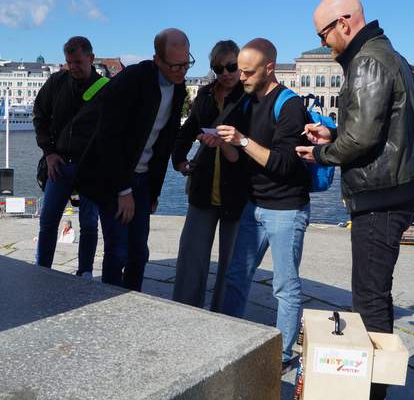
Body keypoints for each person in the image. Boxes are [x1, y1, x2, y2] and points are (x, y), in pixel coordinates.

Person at [296, 0, 414, 400]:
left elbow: (364, 138)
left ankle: (369, 390)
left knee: (369, 296)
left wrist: (321, 152)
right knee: (373, 290)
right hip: (390, 188)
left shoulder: (367, 60)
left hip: (381, 195)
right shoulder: (384, 54)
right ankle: (371, 383)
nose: (323, 43)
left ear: (345, 23)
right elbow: (373, 131)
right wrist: (334, 134)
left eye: (324, 34)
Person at [216, 38, 311, 373]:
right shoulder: (245, 101)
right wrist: (222, 142)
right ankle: (225, 339)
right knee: (236, 276)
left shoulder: (290, 106)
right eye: (239, 70)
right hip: (253, 205)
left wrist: (241, 140)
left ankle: (283, 357)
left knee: (284, 287)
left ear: (269, 67)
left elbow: (285, 165)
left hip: (286, 209)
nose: (240, 77)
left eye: (247, 71)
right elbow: (240, 159)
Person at [76, 28, 188, 291]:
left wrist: (153, 193)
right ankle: (110, 303)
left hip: (143, 178)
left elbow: (163, 143)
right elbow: (109, 138)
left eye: (186, 64)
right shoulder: (133, 80)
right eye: (175, 66)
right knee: (118, 250)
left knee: (139, 252)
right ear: (157, 59)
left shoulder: (179, 86)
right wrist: (123, 190)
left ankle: (133, 300)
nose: (182, 72)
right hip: (112, 177)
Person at [171, 40, 249, 312]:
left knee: (231, 263)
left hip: (237, 189)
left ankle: (224, 316)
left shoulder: (249, 97)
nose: (225, 73)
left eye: (231, 66)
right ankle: (185, 310)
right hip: (203, 185)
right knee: (191, 257)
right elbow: (188, 129)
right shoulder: (204, 95)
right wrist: (179, 160)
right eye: (219, 67)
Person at [33, 36, 106, 277]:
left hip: (91, 167)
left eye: (77, 62)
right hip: (60, 163)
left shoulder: (106, 88)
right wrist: (50, 153)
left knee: (88, 224)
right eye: (68, 62)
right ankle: (43, 269)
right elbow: (40, 116)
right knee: (48, 221)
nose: (72, 67)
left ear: (91, 58)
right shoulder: (57, 82)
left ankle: (84, 272)